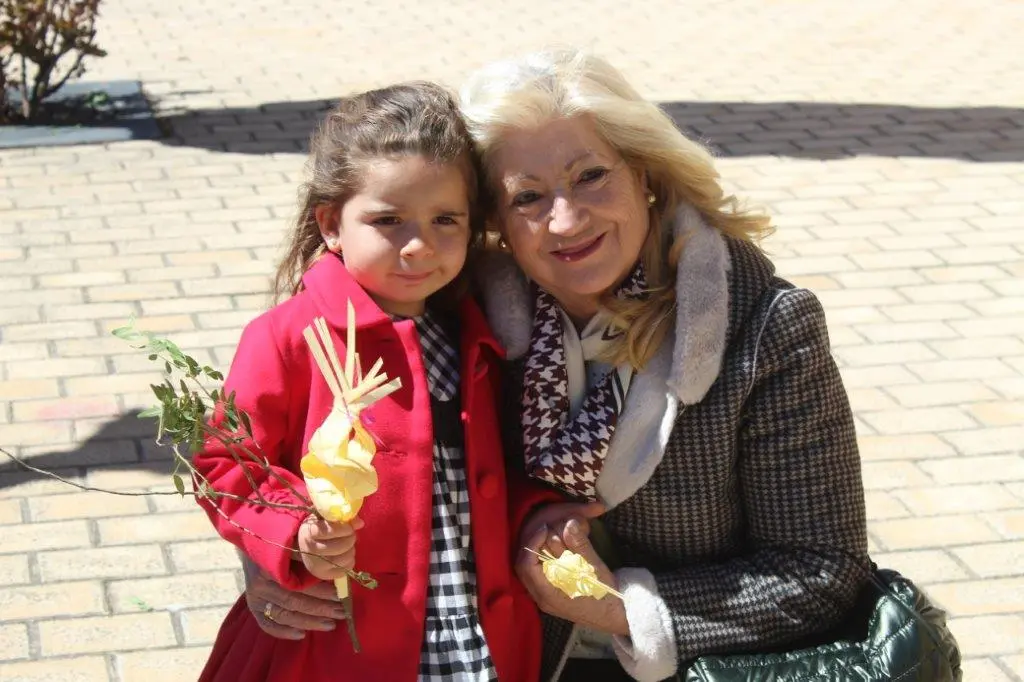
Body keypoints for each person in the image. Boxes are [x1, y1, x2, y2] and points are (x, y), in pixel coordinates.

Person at [240, 50, 870, 682]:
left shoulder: (763, 327)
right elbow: (284, 445)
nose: (565, 220)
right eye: (529, 197)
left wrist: (628, 612)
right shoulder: (456, 312)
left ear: (645, 173)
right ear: (497, 224)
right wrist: (269, 561)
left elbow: (821, 569)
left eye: (592, 175)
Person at [191, 82, 547, 682]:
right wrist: (294, 532)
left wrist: (540, 514)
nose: (419, 246)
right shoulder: (290, 336)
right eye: (387, 220)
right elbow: (227, 463)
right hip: (336, 643)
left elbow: (493, 473)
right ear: (331, 223)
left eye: (445, 220)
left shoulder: (476, 331)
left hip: (468, 628)